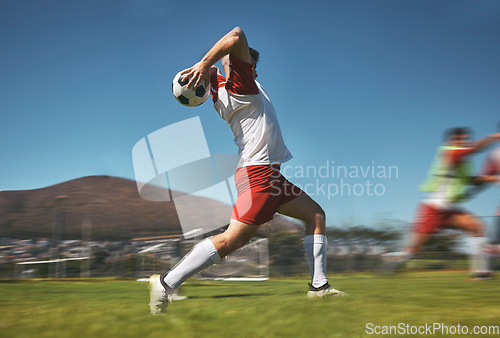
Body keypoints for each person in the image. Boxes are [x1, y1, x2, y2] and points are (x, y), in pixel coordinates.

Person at [148, 27, 347, 315]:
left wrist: (208, 67)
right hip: (259, 174)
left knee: (315, 215)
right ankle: (166, 284)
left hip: (269, 174)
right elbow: (237, 35)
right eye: (232, 61)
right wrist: (204, 63)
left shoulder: (220, 90)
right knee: (233, 239)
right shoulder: (240, 86)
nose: (231, 60)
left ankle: (319, 287)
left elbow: (220, 63)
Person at [382, 127, 500, 279]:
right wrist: (492, 137)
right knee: (413, 250)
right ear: (450, 142)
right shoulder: (450, 152)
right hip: (433, 208)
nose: (463, 142)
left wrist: (488, 178)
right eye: (459, 139)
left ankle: (481, 273)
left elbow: (470, 180)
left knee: (477, 227)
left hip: (449, 210)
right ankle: (392, 257)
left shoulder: (460, 163)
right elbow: (475, 149)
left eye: (465, 139)